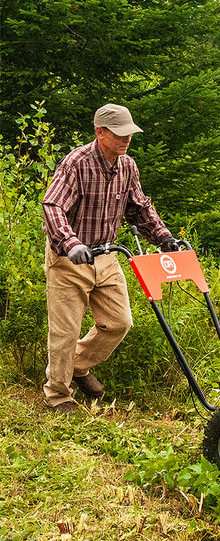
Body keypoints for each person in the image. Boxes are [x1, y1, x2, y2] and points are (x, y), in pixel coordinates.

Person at [42, 103, 179, 413]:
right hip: (70, 259)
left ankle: (77, 366)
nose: (126, 139)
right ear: (100, 132)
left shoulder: (127, 166)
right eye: (119, 134)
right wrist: (70, 242)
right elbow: (53, 206)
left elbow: (139, 208)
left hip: (105, 255)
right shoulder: (76, 163)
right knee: (65, 331)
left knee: (119, 322)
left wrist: (164, 238)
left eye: (129, 133)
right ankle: (58, 394)